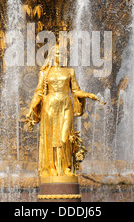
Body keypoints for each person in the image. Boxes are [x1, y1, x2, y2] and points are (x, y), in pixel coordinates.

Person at [26, 44, 103, 177]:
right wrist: (31, 108)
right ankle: (52, 168)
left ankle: (66, 167)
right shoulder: (44, 73)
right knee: (51, 138)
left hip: (65, 105)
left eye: (61, 53)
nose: (59, 55)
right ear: (51, 55)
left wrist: (88, 95)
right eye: (56, 53)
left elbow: (76, 91)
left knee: (65, 137)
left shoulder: (70, 71)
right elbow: (38, 92)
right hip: (49, 107)